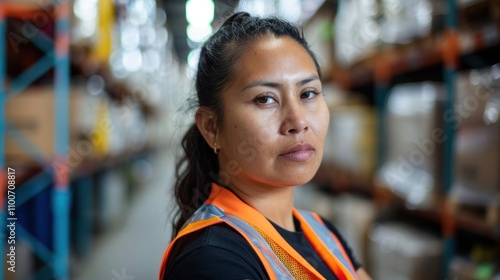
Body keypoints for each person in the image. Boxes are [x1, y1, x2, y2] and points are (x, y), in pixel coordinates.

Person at [159, 12, 372, 280]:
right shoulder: (213, 261)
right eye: (265, 99)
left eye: (308, 94)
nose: (298, 121)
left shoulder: (322, 232)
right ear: (211, 127)